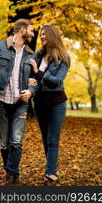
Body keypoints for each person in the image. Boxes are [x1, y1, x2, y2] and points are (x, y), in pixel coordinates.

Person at [0, 19, 37, 185]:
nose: (33, 34)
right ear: (21, 30)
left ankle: (12, 175)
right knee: (4, 143)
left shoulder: (31, 54)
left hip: (21, 103)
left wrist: (31, 91)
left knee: (16, 141)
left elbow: (35, 80)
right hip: (1, 101)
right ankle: (9, 170)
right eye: (31, 31)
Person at [29, 25, 70, 186]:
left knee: (53, 139)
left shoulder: (64, 57)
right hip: (39, 102)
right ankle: (51, 168)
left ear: (53, 35)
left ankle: (50, 173)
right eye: (41, 34)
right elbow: (33, 78)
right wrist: (30, 81)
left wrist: (37, 72)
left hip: (56, 103)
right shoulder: (38, 56)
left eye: (45, 34)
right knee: (46, 139)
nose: (42, 37)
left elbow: (56, 81)